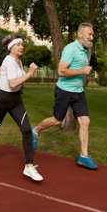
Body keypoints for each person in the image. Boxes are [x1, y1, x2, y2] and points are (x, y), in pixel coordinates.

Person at [0, 33, 43, 181]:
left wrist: (2, 74)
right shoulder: (10, 60)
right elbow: (13, 83)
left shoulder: (18, 61)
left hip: (15, 100)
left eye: (22, 44)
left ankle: (29, 167)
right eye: (18, 45)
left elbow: (7, 76)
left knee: (26, 130)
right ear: (11, 47)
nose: (21, 47)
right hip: (2, 100)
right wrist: (30, 72)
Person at [31, 22, 98, 170]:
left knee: (85, 121)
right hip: (64, 91)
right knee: (56, 120)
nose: (92, 37)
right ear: (80, 34)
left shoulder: (85, 49)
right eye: (90, 34)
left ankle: (83, 156)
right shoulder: (71, 49)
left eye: (93, 34)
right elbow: (61, 71)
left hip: (78, 92)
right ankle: (35, 130)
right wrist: (82, 71)